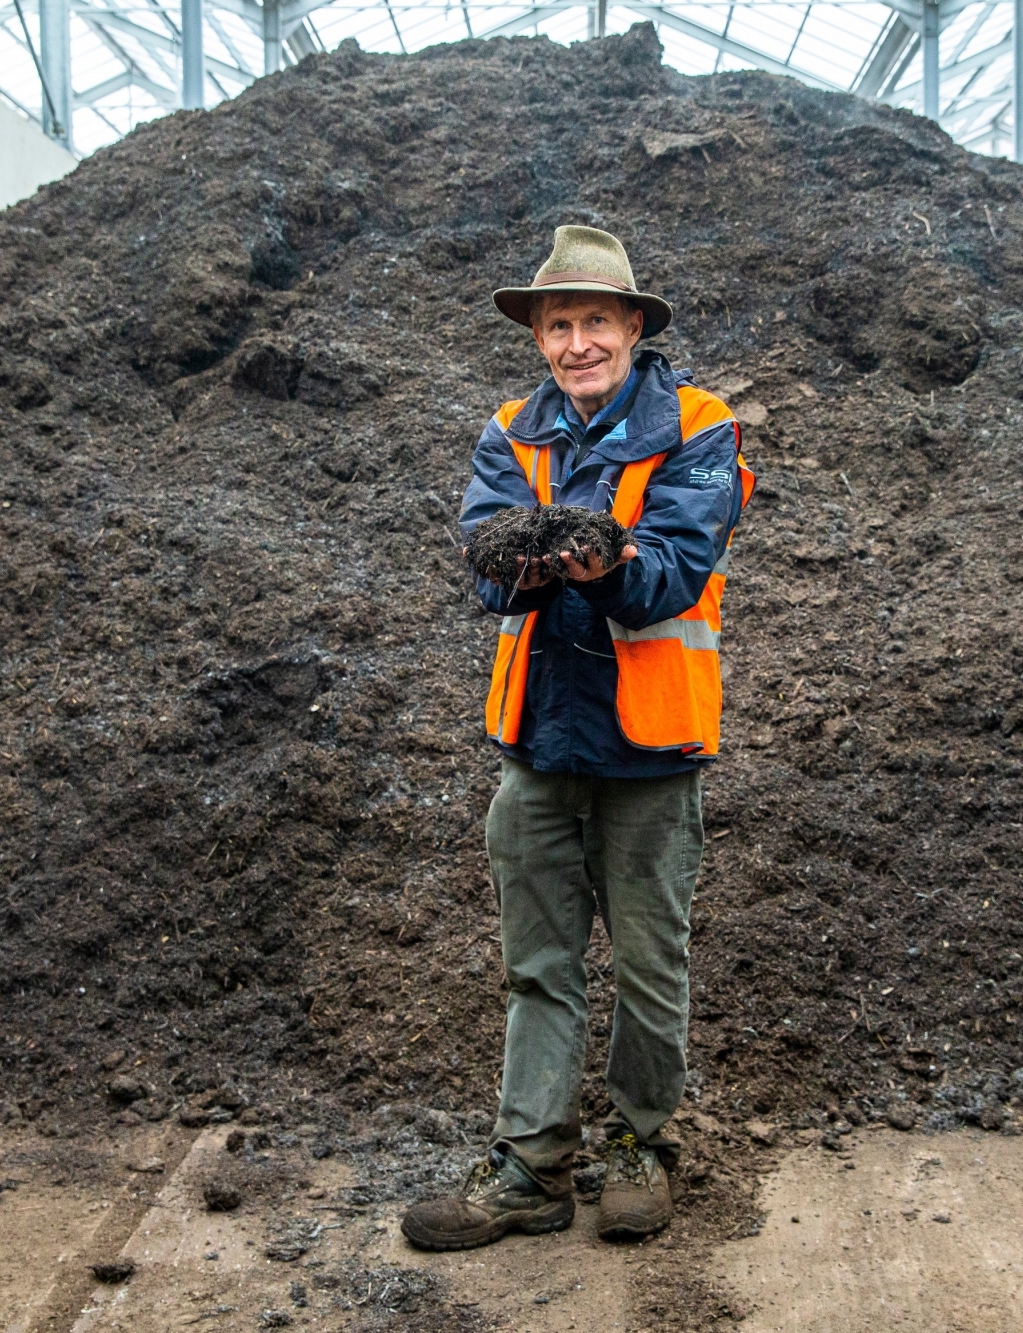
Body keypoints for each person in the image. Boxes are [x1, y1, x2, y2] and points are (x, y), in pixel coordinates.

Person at [402, 226, 754, 1252]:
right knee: (538, 965)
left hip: (648, 749)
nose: (576, 342)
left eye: (595, 319)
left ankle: (642, 1143)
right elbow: (487, 563)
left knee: (649, 963)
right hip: (540, 744)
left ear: (632, 326)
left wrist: (595, 558)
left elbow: (670, 571)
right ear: (539, 338)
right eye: (558, 324)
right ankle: (531, 1166)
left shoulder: (697, 424)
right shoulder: (511, 430)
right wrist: (537, 552)